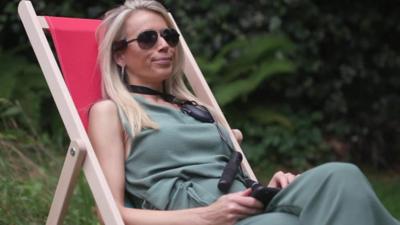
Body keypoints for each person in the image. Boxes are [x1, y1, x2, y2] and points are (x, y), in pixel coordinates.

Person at [88, 0, 400, 224]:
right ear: (120, 56)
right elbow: (110, 212)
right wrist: (205, 216)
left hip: (249, 205)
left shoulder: (195, 108)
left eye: (169, 36)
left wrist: (269, 186)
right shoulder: (112, 111)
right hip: (201, 219)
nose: (164, 45)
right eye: (147, 38)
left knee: (342, 175)